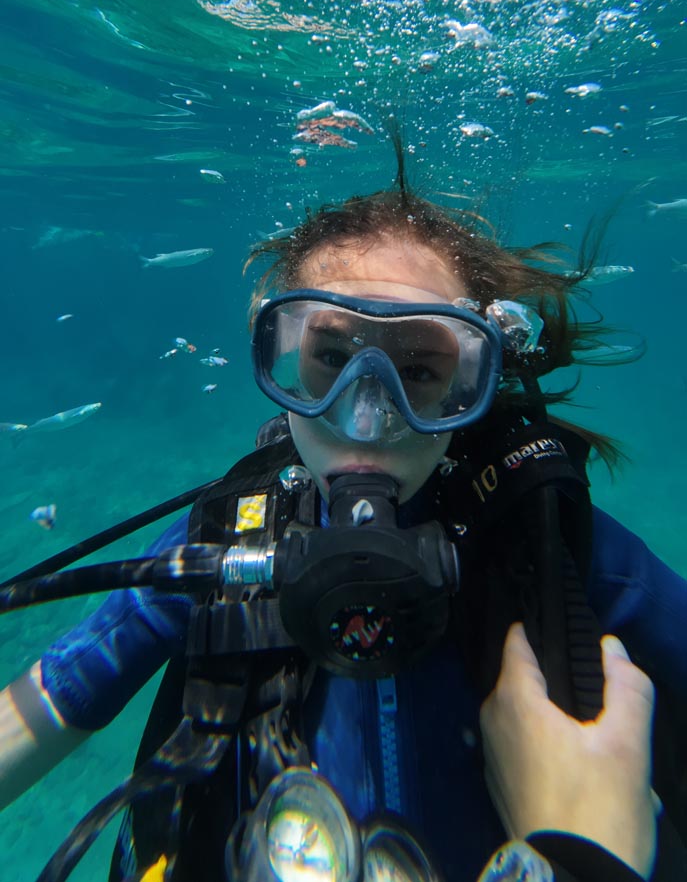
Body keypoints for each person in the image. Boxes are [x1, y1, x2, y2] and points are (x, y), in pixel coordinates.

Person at [1, 148, 686, 882]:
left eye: (417, 371)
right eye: (331, 358)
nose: (365, 419)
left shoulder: (552, 549)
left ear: (472, 383)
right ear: (285, 356)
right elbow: (43, 706)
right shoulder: (227, 538)